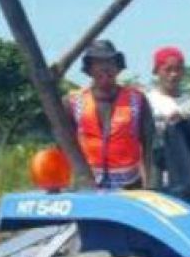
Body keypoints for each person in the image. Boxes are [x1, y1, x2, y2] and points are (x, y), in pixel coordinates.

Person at [66, 39, 155, 189]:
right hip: (87, 186)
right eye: (98, 63)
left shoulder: (137, 100)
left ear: (117, 67)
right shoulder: (73, 102)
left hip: (129, 186)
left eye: (109, 62)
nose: (105, 68)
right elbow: (65, 146)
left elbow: (150, 146)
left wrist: (151, 186)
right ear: (89, 69)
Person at [147, 46, 190, 132]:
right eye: (168, 70)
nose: (173, 74)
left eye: (178, 69)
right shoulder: (148, 101)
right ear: (156, 71)